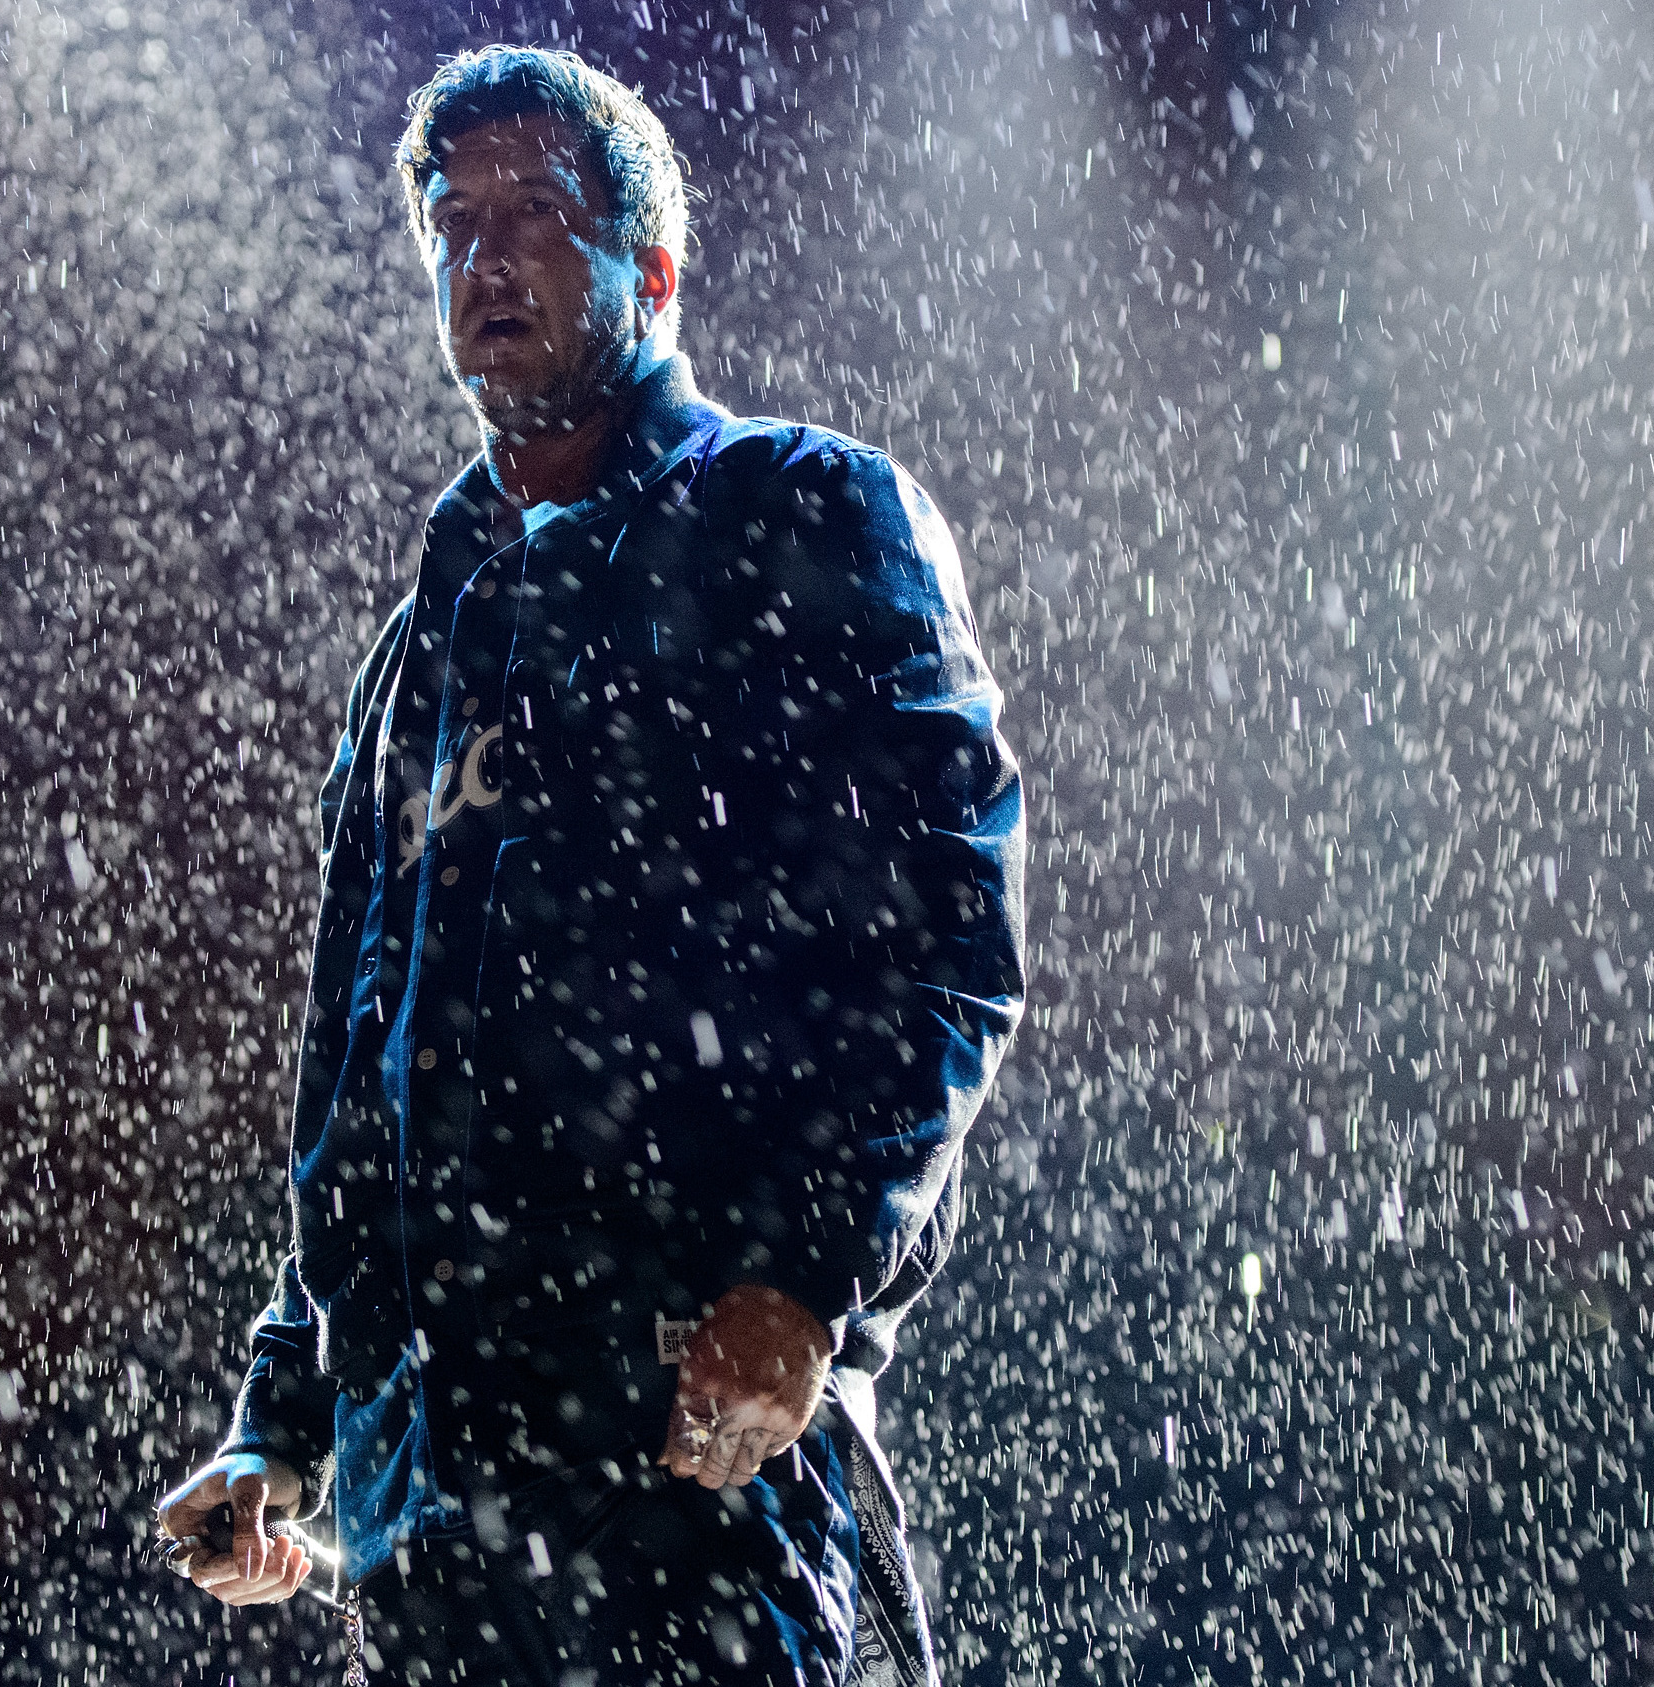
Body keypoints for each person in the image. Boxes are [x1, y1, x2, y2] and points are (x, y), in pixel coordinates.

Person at [152, 46, 1026, 1687]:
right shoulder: (417, 653)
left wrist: (806, 1278)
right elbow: (366, 1063)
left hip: (690, 1470)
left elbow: (944, 938)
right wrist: (285, 1418)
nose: (485, 259)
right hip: (429, 1516)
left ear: (656, 265)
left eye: (537, 214)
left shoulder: (801, 513)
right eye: (452, 223)